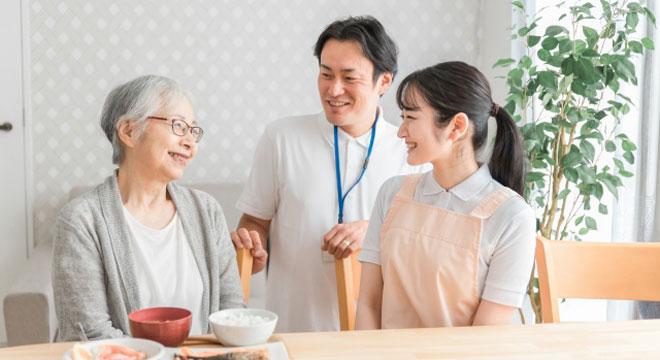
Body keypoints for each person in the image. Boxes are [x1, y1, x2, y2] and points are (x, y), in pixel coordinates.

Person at [231, 16, 416, 332]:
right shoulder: (281, 138)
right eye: (325, 74)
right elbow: (254, 222)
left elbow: (426, 245)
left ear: (384, 81)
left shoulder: (411, 150)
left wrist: (375, 230)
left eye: (349, 77)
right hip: (294, 329)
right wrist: (252, 244)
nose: (334, 89)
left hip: (380, 336)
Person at [51, 75, 243, 341]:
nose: (190, 143)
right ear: (129, 131)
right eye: (178, 126)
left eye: (194, 130)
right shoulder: (82, 220)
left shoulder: (207, 211)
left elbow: (231, 314)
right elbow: (88, 333)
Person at [355, 61, 536, 329]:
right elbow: (369, 303)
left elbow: (486, 335)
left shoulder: (512, 217)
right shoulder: (392, 193)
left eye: (411, 118)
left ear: (456, 126)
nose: (401, 131)